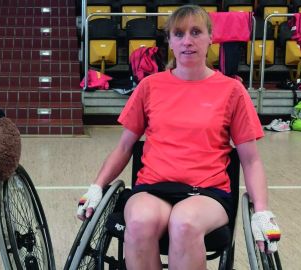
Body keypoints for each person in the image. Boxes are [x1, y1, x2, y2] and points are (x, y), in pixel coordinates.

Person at [76, 5, 281, 270]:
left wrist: (262, 210)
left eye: (196, 32)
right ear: (170, 42)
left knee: (184, 222)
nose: (187, 41)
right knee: (138, 222)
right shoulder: (150, 86)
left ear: (210, 38)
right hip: (152, 188)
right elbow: (125, 146)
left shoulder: (232, 90)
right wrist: (96, 187)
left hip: (207, 193)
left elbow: (251, 160)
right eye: (179, 33)